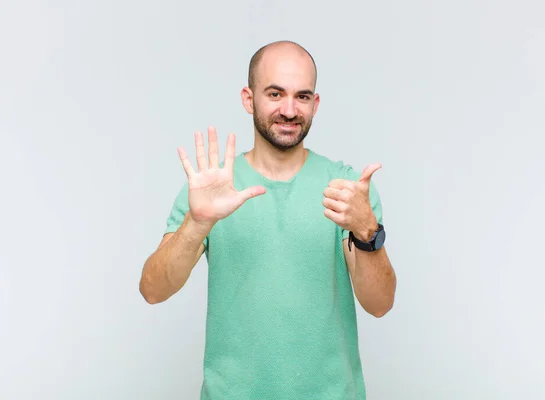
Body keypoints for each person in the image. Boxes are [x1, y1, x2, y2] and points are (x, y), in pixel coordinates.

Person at [139, 40, 397, 400]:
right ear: (249, 99)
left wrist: (367, 230)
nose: (289, 110)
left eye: (302, 97)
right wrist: (198, 224)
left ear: (315, 104)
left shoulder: (347, 189)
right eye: (275, 94)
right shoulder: (212, 187)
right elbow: (153, 290)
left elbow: (380, 304)